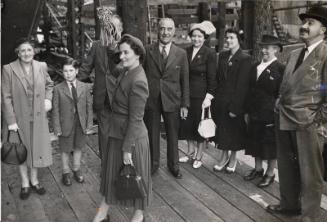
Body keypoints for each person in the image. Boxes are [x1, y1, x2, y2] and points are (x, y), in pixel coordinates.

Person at [266, 6, 327, 222]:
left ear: (324, 29)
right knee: (287, 165)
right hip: (285, 117)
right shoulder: (293, 54)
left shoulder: (325, 55)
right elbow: (286, 84)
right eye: (304, 22)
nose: (304, 26)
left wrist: (319, 121)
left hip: (309, 123)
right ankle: (289, 205)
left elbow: (325, 90)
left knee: (310, 173)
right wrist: (279, 101)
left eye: (311, 23)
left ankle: (309, 215)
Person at [92, 34, 151, 222]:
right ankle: (103, 210)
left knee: (136, 178)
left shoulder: (139, 80)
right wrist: (110, 40)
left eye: (126, 53)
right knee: (111, 174)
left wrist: (127, 149)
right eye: (121, 52)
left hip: (131, 138)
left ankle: (138, 215)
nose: (122, 56)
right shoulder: (126, 70)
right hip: (116, 132)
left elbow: (136, 119)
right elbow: (111, 64)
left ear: (138, 55)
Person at [1, 38, 53, 200]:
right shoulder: (8, 69)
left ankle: (34, 180)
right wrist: (11, 122)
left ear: (34, 51)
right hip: (18, 120)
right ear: (18, 53)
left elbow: (49, 85)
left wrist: (48, 99)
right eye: (22, 50)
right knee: (21, 151)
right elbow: (5, 97)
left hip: (38, 119)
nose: (26, 53)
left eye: (29, 50)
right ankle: (24, 183)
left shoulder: (41, 66)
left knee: (36, 149)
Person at [144, 18, 190, 178]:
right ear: (158, 30)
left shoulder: (181, 53)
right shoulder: (147, 50)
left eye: (169, 29)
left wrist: (184, 104)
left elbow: (185, 80)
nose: (165, 32)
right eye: (162, 28)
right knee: (152, 133)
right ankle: (153, 165)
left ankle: (174, 165)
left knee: (173, 134)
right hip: (152, 99)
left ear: (174, 31)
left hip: (172, 100)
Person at [78, 6, 123, 159]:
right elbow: (86, 68)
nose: (110, 30)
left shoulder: (125, 46)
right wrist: (74, 86)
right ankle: (106, 164)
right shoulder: (97, 45)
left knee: (122, 131)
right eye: (108, 26)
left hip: (121, 96)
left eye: (114, 27)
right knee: (104, 133)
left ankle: (121, 163)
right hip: (102, 96)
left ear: (120, 28)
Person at [244, 35, 285, 188]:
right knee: (255, 140)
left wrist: (275, 109)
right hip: (254, 111)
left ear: (276, 50)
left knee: (269, 144)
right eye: (263, 47)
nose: (264, 50)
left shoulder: (281, 69)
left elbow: (281, 94)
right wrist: (247, 110)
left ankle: (270, 173)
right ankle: (258, 169)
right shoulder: (254, 66)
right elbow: (249, 90)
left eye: (267, 48)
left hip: (269, 114)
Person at [212, 28, 252, 173]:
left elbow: (243, 86)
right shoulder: (222, 56)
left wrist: (236, 108)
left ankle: (233, 158)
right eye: (227, 38)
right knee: (222, 131)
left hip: (235, 103)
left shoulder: (245, 58)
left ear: (238, 40)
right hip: (221, 101)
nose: (228, 41)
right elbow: (218, 79)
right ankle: (223, 157)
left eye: (232, 38)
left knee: (234, 133)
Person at [178, 21, 217, 169]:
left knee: (199, 125)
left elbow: (212, 78)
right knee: (187, 123)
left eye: (199, 36)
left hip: (201, 96)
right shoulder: (185, 51)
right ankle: (190, 151)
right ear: (190, 37)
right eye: (194, 36)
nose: (196, 39)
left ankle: (199, 155)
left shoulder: (209, 53)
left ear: (204, 37)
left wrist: (209, 97)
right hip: (186, 93)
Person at [52, 58, 93, 186]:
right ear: (62, 72)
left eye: (71, 70)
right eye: (65, 71)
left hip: (80, 123)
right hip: (65, 124)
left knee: (78, 147)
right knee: (65, 149)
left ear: (76, 71)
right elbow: (55, 110)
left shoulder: (84, 87)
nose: (68, 73)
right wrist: (57, 127)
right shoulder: (58, 89)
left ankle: (76, 169)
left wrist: (89, 124)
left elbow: (88, 107)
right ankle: (65, 172)